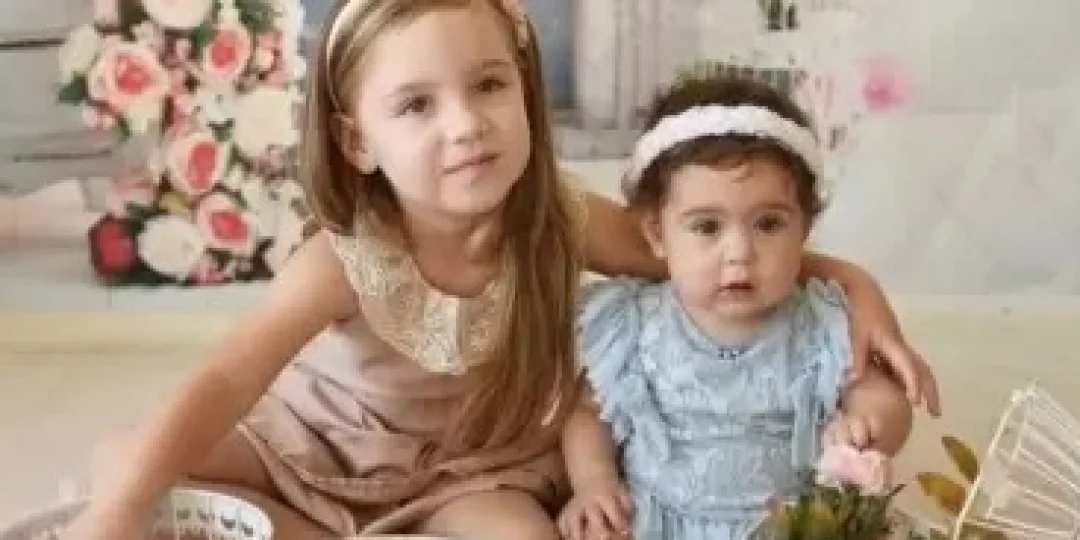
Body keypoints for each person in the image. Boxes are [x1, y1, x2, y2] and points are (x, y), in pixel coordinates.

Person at [64, 1, 937, 538]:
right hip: (316, 449)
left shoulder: (557, 218)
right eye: (417, 104)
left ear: (524, 91)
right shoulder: (344, 259)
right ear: (359, 142)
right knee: (135, 463)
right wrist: (119, 513)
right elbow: (225, 377)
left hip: (473, 470)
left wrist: (857, 291)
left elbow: (710, 256)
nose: (466, 125)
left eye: (488, 85)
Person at [558, 75, 919, 540]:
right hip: (660, 523)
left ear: (805, 228)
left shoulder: (822, 322)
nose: (740, 253)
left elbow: (879, 392)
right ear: (656, 234)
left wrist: (870, 422)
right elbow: (589, 414)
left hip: (789, 527)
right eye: (708, 227)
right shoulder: (635, 324)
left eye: (768, 224)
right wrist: (594, 483)